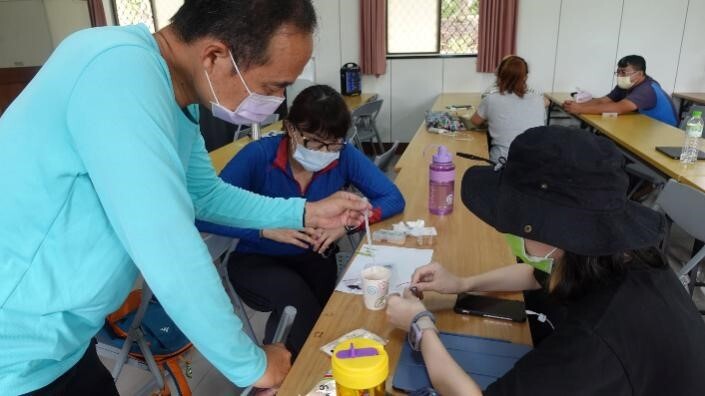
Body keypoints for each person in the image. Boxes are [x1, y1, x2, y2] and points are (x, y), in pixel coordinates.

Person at [0, 1, 372, 394]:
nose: (278, 102)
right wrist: (251, 364)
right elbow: (168, 247)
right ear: (214, 56)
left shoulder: (176, 100)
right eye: (272, 86)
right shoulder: (116, 70)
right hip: (16, 348)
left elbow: (204, 196)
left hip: (61, 343)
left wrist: (305, 211)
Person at [386, 125, 705, 396]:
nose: (506, 229)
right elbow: (539, 272)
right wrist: (462, 283)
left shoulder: (596, 340)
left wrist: (420, 327)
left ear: (553, 231)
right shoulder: (612, 258)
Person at [197, 84, 405, 356]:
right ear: (291, 129)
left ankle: (285, 367)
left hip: (314, 256)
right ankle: (312, 366)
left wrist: (345, 226)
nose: (324, 152)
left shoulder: (343, 156)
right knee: (296, 299)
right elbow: (202, 214)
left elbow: (392, 198)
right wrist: (263, 230)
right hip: (256, 260)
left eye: (333, 144)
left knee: (318, 310)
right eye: (315, 142)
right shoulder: (258, 156)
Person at [563, 55, 678, 126]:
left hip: (665, 132)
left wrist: (580, 109)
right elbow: (603, 101)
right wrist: (574, 105)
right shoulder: (626, 84)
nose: (619, 76)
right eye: (618, 72)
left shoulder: (647, 89)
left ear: (640, 74)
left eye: (623, 72)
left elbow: (618, 108)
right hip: (643, 126)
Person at [470, 55, 545, 163]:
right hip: (535, 163)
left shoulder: (491, 99)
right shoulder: (539, 100)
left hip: (503, 163)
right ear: (525, 77)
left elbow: (475, 121)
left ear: (498, 75)